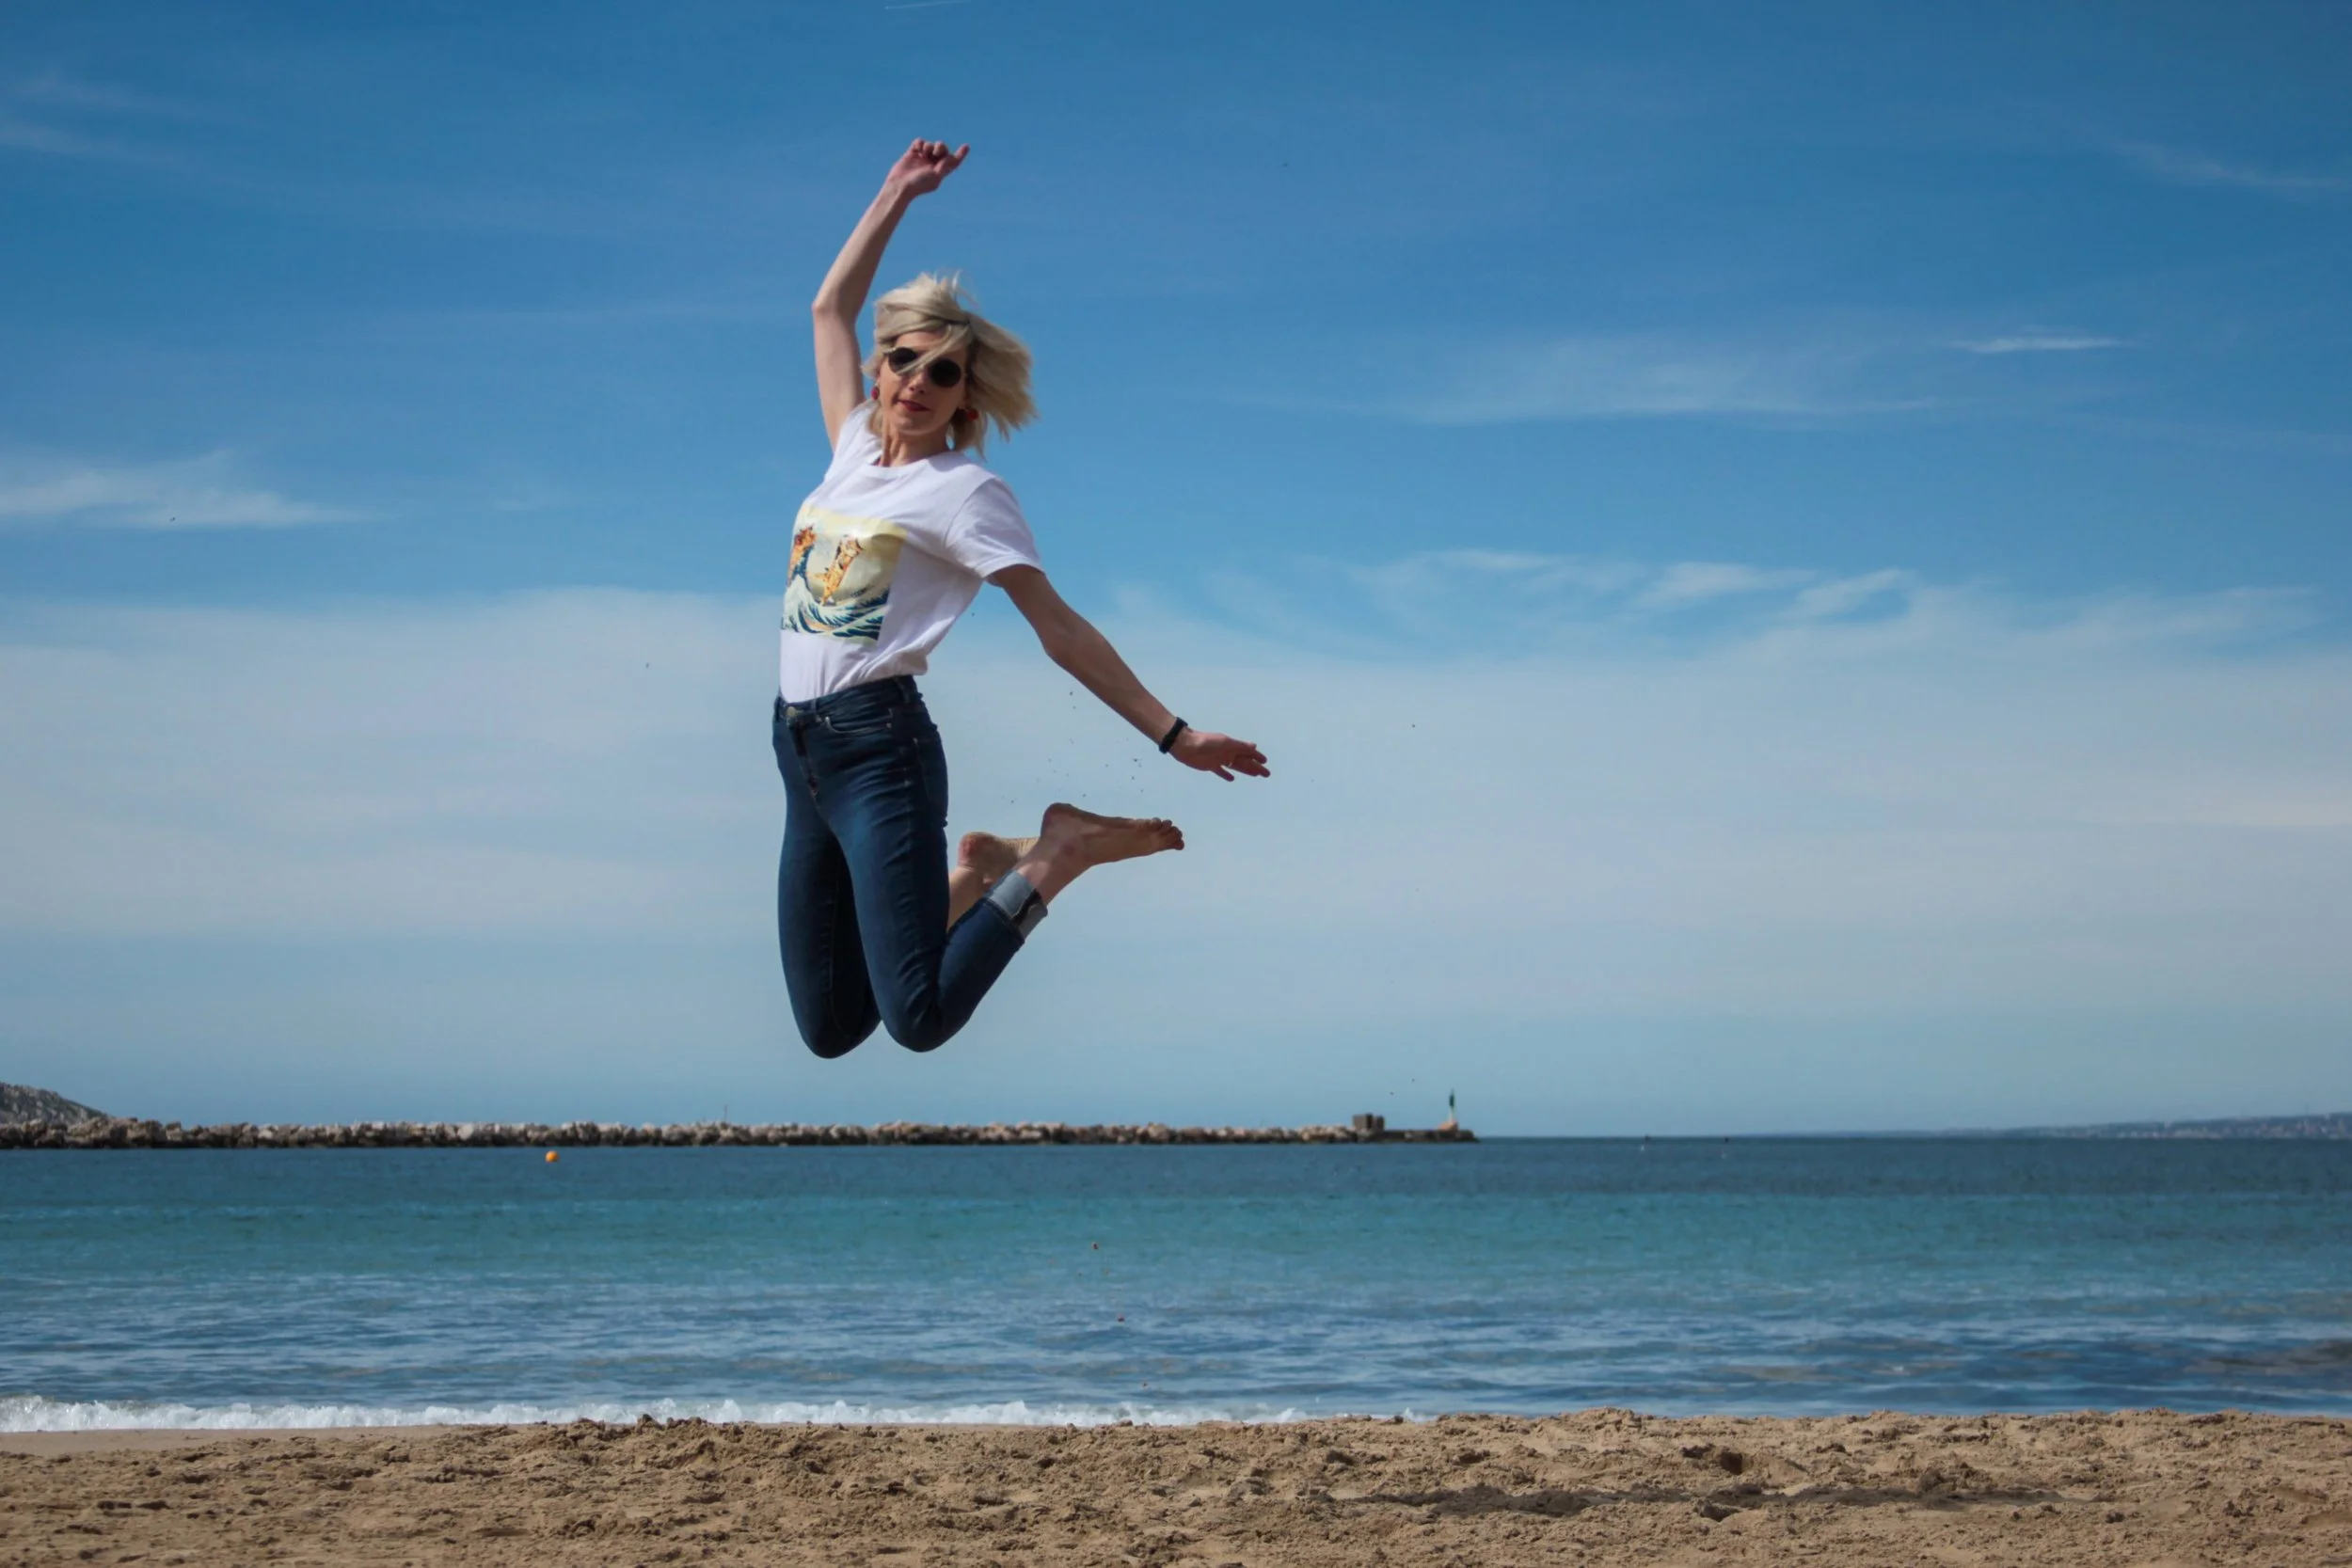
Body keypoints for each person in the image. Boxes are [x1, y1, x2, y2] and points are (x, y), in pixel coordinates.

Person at [779, 137, 1269, 1058]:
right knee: (832, 1024)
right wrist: (896, 194)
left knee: (919, 1017)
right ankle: (982, 873)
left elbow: (1058, 627)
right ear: (879, 374)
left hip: (881, 750)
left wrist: (1173, 733)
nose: (917, 380)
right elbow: (827, 307)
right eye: (904, 362)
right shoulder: (849, 446)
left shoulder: (966, 495)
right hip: (800, 753)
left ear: (966, 401)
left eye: (943, 372)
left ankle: (1058, 852)